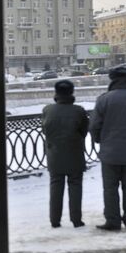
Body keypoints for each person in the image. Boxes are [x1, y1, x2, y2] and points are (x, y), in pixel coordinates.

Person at [90, 66, 126, 231]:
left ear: (112, 79)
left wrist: (100, 140)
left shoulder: (104, 99)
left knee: (110, 188)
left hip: (109, 152)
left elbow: (94, 126)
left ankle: (113, 221)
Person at [42, 80, 89, 228]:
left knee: (56, 186)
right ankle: (76, 220)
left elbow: (45, 131)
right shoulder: (79, 111)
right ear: (72, 92)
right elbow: (84, 132)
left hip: (54, 155)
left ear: (56, 93)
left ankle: (54, 220)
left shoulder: (47, 110)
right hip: (75, 153)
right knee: (75, 186)